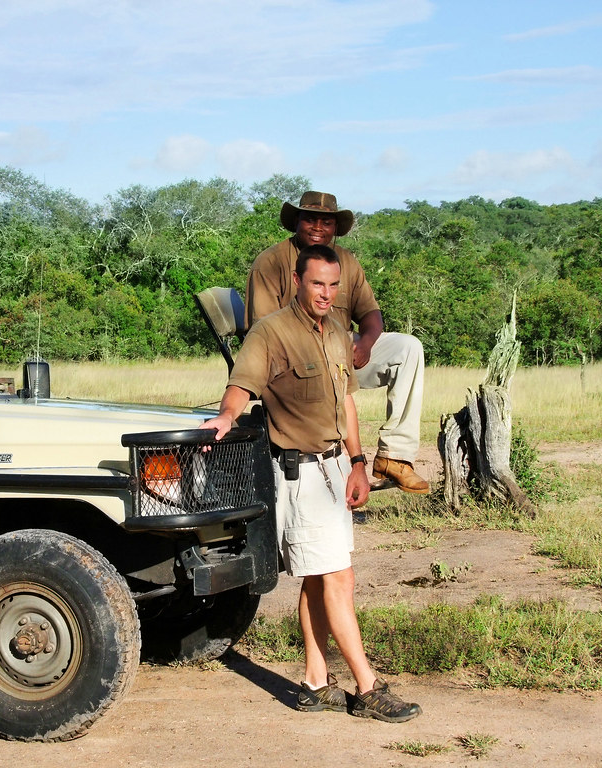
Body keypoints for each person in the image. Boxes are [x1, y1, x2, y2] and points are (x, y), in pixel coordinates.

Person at [203, 244, 421, 723]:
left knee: (322, 577)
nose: (325, 293)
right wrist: (224, 417)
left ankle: (316, 682)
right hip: (299, 475)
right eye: (317, 283)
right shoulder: (271, 332)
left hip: (336, 467)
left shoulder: (339, 333)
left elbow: (346, 403)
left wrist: (359, 463)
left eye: (333, 285)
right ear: (298, 282)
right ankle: (367, 687)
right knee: (337, 578)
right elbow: (243, 385)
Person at [246, 191, 429, 494]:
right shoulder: (270, 262)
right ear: (297, 222)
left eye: (326, 221)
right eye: (310, 219)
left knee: (408, 348)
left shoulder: (345, 260)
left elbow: (370, 312)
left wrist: (367, 343)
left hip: (343, 353)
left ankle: (394, 455)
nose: (318, 227)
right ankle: (330, 463)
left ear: (335, 227)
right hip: (294, 363)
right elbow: (263, 332)